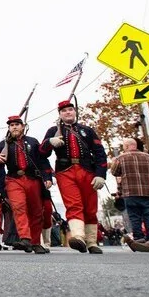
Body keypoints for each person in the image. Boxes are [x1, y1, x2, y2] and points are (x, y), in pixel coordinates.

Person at [40, 101, 107, 254]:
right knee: (74, 204)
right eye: (64, 111)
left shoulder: (87, 130)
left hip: (87, 171)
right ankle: (78, 237)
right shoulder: (53, 130)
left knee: (90, 207)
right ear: (60, 114)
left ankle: (91, 242)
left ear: (75, 112)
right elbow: (42, 153)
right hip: (65, 171)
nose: (68, 113)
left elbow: (100, 153)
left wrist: (100, 175)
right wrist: (50, 142)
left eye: (70, 110)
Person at [0, 114, 52, 254]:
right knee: (19, 207)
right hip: (14, 179)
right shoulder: (4, 144)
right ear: (9, 128)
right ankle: (25, 238)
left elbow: (42, 161)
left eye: (17, 124)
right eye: (11, 125)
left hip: (33, 179)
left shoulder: (33, 142)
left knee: (37, 211)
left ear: (23, 126)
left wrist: (47, 177)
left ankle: (35, 242)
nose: (14, 127)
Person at [111, 137, 149, 244]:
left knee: (134, 216)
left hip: (130, 192)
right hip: (148, 192)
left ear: (125, 146)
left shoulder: (121, 158)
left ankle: (139, 237)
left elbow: (115, 172)